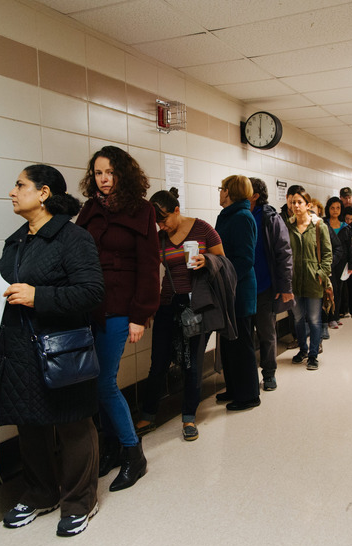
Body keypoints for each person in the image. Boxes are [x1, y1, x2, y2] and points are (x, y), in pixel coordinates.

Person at [0, 165, 103, 537]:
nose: (12, 192)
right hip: (19, 350)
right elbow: (7, 280)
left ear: (44, 193)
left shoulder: (72, 238)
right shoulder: (16, 240)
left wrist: (38, 296)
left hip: (59, 349)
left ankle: (80, 500)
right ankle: (41, 492)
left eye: (19, 185)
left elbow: (92, 292)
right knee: (30, 423)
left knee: (72, 423)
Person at [76, 145, 159, 491]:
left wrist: (140, 314)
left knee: (103, 382)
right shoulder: (90, 209)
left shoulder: (142, 210)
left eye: (110, 172)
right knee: (93, 384)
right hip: (89, 306)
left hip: (121, 308)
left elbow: (149, 265)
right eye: (98, 172)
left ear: (122, 173)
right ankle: (110, 448)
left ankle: (133, 453)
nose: (104, 178)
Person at [134, 188, 224, 441]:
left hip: (196, 304)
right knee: (158, 362)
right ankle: (148, 415)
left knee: (192, 363)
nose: (162, 226)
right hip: (168, 303)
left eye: (164, 220)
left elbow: (224, 262)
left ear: (177, 210)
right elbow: (151, 273)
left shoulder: (203, 229)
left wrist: (206, 261)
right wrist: (149, 306)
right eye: (157, 222)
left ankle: (188, 418)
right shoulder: (160, 237)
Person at [215, 175, 261, 411]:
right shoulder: (228, 215)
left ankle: (250, 395)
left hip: (239, 290)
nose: (219, 192)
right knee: (229, 343)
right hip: (228, 289)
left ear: (230, 192)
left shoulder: (243, 217)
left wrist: (226, 278)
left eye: (222, 188)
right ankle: (234, 388)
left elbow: (244, 259)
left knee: (241, 344)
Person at [248, 178, 294, 391]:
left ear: (255, 195)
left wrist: (285, 287)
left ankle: (269, 374)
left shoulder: (269, 218)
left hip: (265, 286)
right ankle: (247, 377)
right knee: (244, 336)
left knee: (266, 333)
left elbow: (284, 252)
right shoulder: (240, 215)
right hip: (243, 288)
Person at [286, 186, 332, 370]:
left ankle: (313, 354)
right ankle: (302, 349)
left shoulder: (319, 225)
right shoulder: (287, 226)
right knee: (297, 318)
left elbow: (328, 254)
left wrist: (321, 274)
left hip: (314, 281)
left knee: (314, 319)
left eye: (299, 202)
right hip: (294, 281)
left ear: (308, 205)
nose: (296, 206)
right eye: (292, 202)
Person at [324, 196, 352, 327]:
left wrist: (351, 264)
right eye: (332, 208)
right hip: (327, 262)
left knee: (338, 290)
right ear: (328, 209)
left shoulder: (345, 227)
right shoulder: (323, 224)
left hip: (341, 263)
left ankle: (335, 316)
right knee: (329, 289)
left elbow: (349, 247)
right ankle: (328, 318)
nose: (335, 211)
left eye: (338, 208)